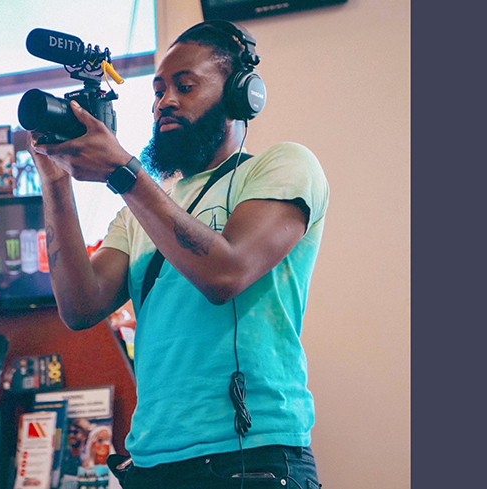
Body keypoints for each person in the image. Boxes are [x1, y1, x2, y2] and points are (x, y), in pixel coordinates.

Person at [28, 20, 328, 489]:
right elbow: (80, 307)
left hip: (248, 459)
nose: (164, 101)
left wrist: (123, 173)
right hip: (151, 463)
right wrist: (55, 182)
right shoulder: (140, 211)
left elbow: (224, 274)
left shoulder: (283, 166)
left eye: (185, 86)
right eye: (158, 90)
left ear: (239, 95)